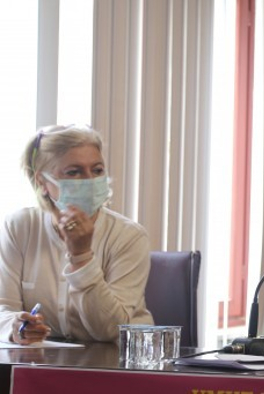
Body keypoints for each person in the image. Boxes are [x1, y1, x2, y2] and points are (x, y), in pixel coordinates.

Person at [0, 125, 153, 344]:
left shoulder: (129, 236)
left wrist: (81, 257)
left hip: (117, 358)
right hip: (46, 358)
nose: (89, 180)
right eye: (74, 172)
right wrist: (16, 327)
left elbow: (110, 330)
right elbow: (3, 308)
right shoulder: (19, 227)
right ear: (42, 182)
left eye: (97, 170)